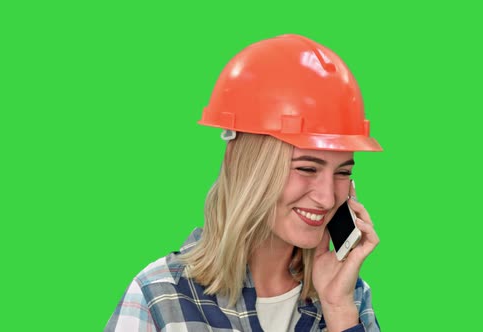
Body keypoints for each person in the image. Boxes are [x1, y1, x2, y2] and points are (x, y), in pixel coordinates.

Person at [105, 34, 383, 332]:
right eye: (306, 168)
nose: (328, 199)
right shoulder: (159, 297)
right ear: (243, 164)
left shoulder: (347, 295)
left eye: (342, 172)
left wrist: (339, 310)